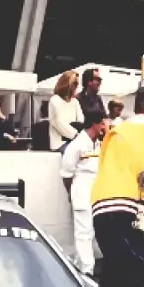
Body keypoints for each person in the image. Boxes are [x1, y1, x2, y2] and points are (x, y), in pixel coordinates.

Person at [59, 109, 107, 276]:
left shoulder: (100, 144)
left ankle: (85, 264)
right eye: (102, 123)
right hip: (81, 188)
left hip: (97, 190)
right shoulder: (76, 145)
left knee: (94, 230)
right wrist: (72, 193)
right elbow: (66, 174)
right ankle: (87, 270)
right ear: (95, 124)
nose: (104, 127)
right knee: (83, 231)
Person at [48, 71, 84, 151]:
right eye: (74, 83)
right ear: (66, 83)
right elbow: (60, 123)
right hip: (60, 143)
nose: (76, 86)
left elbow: (81, 120)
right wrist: (75, 135)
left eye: (77, 84)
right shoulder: (55, 100)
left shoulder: (75, 101)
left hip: (75, 140)